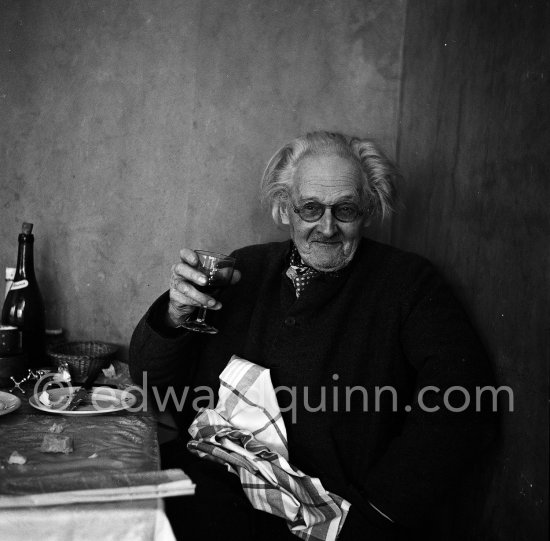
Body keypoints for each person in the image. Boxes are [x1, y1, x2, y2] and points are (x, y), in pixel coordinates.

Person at [128, 131, 496, 540]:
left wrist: (381, 511)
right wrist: (173, 316)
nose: (326, 227)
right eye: (310, 208)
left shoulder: (408, 282)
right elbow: (148, 380)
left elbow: (464, 400)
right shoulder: (244, 269)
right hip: (219, 492)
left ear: (369, 210)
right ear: (285, 209)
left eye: (345, 209)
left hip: (335, 516)